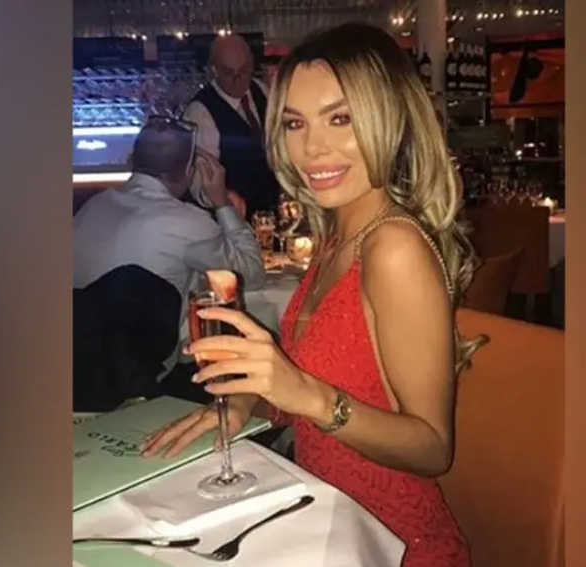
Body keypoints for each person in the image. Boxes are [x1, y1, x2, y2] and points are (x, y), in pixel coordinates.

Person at [142, 23, 486, 567]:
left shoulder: (392, 245)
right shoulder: (336, 235)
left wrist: (306, 394)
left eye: (341, 118)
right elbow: (328, 384)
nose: (313, 148)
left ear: (390, 120)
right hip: (324, 528)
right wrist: (250, 403)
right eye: (295, 123)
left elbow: (432, 447)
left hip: (392, 546)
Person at [74, 117, 266, 400]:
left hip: (75, 368)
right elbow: (251, 275)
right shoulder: (187, 222)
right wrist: (221, 201)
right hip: (140, 377)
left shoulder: (92, 207)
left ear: (131, 160)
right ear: (190, 170)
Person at [182, 34, 281, 218]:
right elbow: (200, 180)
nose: (238, 79)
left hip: (270, 214)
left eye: (244, 71)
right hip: (231, 220)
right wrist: (223, 201)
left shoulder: (261, 90)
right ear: (214, 70)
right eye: (229, 72)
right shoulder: (200, 113)